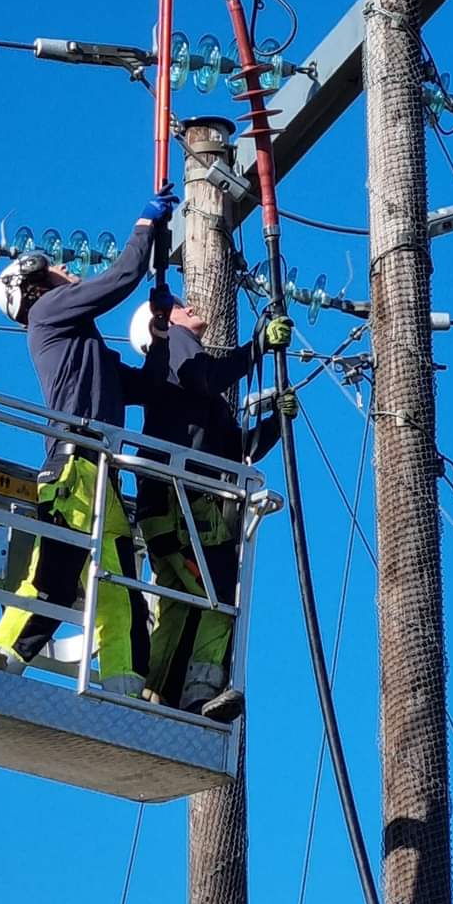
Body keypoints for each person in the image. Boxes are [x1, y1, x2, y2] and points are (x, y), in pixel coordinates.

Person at [0, 192, 176, 696]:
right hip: (76, 468)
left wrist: (160, 338)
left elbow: (145, 388)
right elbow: (120, 280)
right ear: (34, 287)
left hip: (97, 471)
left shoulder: (82, 345)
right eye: (55, 270)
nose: (67, 271)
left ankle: (123, 685)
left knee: (118, 587)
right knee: (53, 576)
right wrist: (144, 226)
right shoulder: (48, 312)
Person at [126, 294, 291, 715]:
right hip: (184, 507)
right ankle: (199, 691)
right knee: (219, 595)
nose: (189, 307)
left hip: (167, 510)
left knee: (182, 603)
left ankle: (155, 693)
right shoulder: (176, 344)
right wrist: (259, 346)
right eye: (180, 305)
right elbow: (208, 375)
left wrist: (276, 421)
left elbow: (235, 449)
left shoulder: (196, 399)